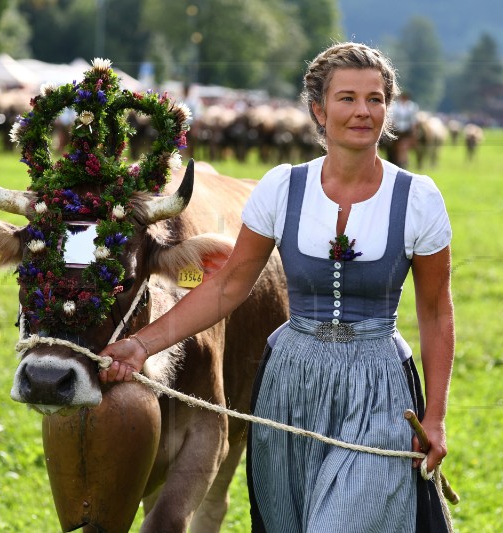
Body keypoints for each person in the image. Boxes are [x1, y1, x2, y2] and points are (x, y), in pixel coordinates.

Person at [99, 42, 455, 532]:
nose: (363, 111)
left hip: (379, 386)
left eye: (375, 99)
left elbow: (436, 312)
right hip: (290, 382)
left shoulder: (419, 198)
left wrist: (434, 416)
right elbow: (229, 286)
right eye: (347, 98)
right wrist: (142, 344)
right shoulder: (282, 188)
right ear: (318, 109)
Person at [386, 91, 420, 168]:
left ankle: (403, 163)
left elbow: (413, 121)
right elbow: (392, 119)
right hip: (396, 130)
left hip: (406, 131)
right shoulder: (395, 106)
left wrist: (414, 132)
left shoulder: (411, 107)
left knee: (403, 147)